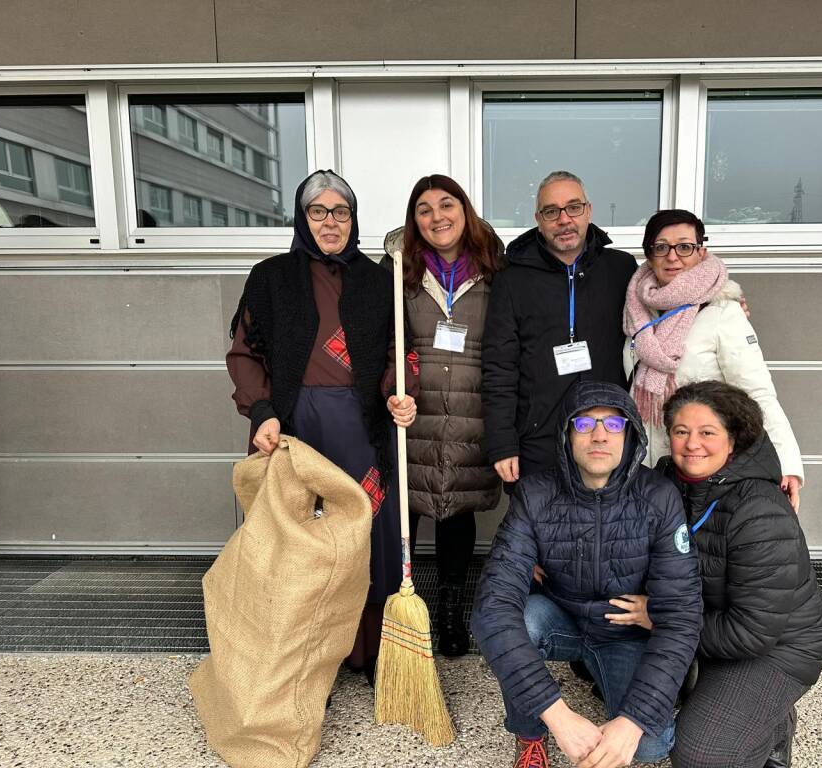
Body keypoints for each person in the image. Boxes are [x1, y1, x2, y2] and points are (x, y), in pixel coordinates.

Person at [226, 169, 418, 685]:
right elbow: (245, 353)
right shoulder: (271, 278)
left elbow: (398, 354)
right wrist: (262, 411)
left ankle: (370, 651)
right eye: (318, 211)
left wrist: (398, 392)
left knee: (366, 536)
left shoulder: (380, 280)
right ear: (301, 218)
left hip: (363, 429)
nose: (330, 222)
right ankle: (310, 661)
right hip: (294, 431)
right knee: (302, 542)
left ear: (353, 220)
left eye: (341, 212)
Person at [471, 380, 702, 768]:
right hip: (560, 615)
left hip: (621, 630)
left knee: (650, 747)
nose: (599, 436)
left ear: (630, 435)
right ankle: (530, 734)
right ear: (566, 434)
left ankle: (608, 677)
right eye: (584, 425)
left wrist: (630, 724)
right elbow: (492, 607)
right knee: (520, 621)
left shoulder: (659, 496)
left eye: (613, 425)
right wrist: (556, 714)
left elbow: (681, 615)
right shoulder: (535, 494)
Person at [616, 380, 822, 768]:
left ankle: (770, 725)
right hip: (704, 620)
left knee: (702, 755)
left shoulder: (760, 511)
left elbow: (752, 632)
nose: (692, 444)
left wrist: (658, 616)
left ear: (734, 439)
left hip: (776, 645)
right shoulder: (667, 482)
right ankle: (759, 714)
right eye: (681, 432)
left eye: (707, 433)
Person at [382, 174, 504, 657]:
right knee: (405, 510)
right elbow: (385, 343)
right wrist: (392, 391)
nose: (437, 217)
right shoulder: (397, 270)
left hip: (474, 406)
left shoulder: (496, 267)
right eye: (424, 209)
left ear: (464, 209)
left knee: (457, 511)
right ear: (414, 221)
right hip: (416, 409)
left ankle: (452, 610)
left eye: (446, 204)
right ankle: (402, 610)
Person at [623, 209, 804, 511]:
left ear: (701, 252)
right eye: (661, 247)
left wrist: (786, 465)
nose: (673, 257)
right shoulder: (635, 312)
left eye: (684, 246)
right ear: (649, 255)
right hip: (647, 467)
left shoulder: (723, 313)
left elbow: (757, 393)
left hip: (703, 465)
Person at [482, 170, 637, 486]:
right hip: (538, 440)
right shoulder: (512, 279)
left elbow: (668, 300)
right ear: (538, 218)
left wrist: (720, 299)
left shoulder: (621, 269)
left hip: (605, 436)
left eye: (573, 207)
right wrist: (502, 443)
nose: (564, 219)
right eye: (552, 211)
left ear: (588, 211)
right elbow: (499, 366)